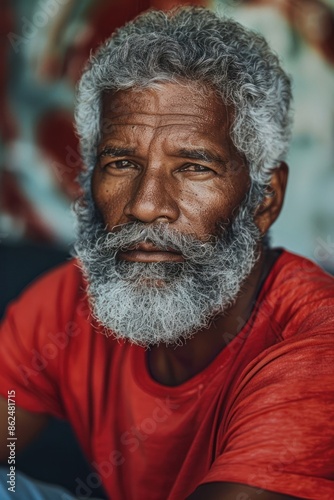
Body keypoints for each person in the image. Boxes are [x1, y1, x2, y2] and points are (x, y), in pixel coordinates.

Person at [0, 6, 333, 500]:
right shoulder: (66, 304)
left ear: (265, 199)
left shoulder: (313, 351)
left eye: (194, 167)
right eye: (122, 162)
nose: (145, 205)